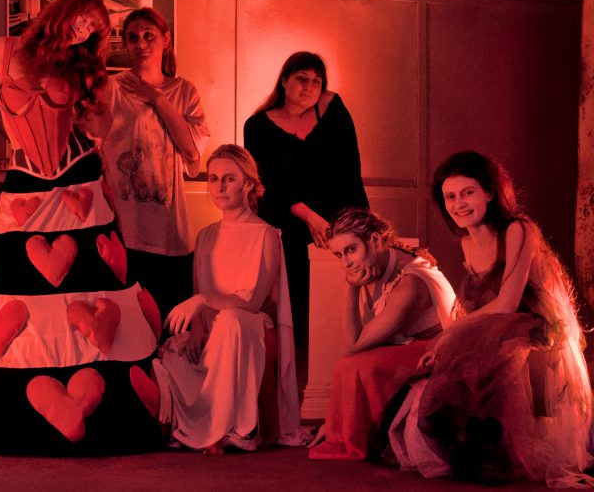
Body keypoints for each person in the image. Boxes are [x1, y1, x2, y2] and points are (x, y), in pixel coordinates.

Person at [0, 0, 162, 454]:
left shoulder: (86, 71)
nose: (83, 31)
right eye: (82, 19)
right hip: (23, 184)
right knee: (13, 286)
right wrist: (15, 136)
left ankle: (100, 410)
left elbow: (101, 132)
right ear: (63, 11)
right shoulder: (4, 49)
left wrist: (95, 97)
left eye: (94, 29)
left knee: (90, 288)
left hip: (78, 183)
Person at [387, 151, 593, 487]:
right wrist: (446, 346)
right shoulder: (467, 241)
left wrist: (447, 337)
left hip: (531, 323)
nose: (458, 204)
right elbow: (474, 308)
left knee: (482, 361)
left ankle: (494, 450)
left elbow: (508, 303)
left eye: (467, 193)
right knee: (436, 378)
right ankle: (476, 450)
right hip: (496, 325)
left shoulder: (518, 229)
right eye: (450, 197)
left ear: (489, 192)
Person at [155, 144, 301, 454]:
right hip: (213, 331)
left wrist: (202, 300)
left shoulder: (265, 235)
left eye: (229, 179)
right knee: (173, 353)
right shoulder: (205, 235)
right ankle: (199, 425)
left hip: (249, 330)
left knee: (232, 321)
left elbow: (252, 302)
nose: (219, 187)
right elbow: (199, 289)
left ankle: (234, 429)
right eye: (213, 179)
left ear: (248, 184)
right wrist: (196, 330)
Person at [243, 51, 368, 387]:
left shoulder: (332, 110)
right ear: (284, 80)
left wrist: (359, 224)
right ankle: (293, 386)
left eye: (316, 81)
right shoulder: (258, 126)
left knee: (336, 303)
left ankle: (332, 381)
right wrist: (308, 215)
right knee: (295, 305)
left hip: (335, 221)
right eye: (301, 78)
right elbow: (267, 184)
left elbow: (350, 171)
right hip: (284, 221)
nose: (309, 87)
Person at [307, 207, 454, 461]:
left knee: (356, 364)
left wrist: (350, 287)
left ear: (375, 240)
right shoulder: (377, 266)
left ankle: (355, 437)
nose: (346, 263)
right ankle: (341, 431)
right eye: (339, 254)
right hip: (409, 347)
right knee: (351, 364)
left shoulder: (410, 283)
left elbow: (353, 345)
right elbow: (358, 342)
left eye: (351, 250)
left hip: (436, 353)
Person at [98, 7, 210, 321]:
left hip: (170, 233)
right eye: (133, 38)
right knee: (127, 326)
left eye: (149, 35)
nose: (141, 43)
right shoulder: (112, 88)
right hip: (124, 230)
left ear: (166, 40)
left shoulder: (184, 92)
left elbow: (192, 152)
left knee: (172, 328)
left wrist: (156, 98)